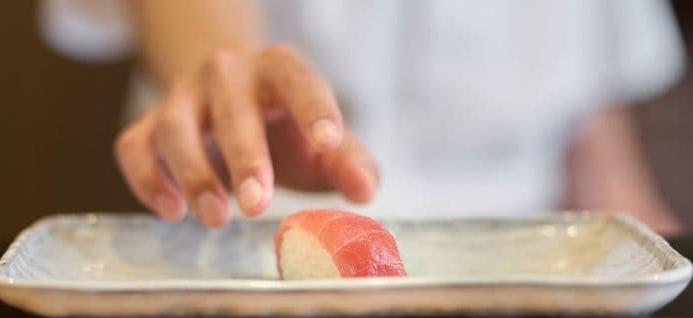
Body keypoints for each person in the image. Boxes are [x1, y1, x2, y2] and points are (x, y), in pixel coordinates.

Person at [39, 0, 685, 233]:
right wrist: (230, 95)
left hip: (522, 287)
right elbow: (207, 38)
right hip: (254, 253)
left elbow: (589, 108)